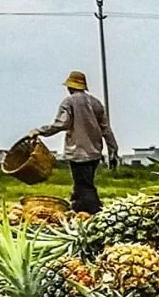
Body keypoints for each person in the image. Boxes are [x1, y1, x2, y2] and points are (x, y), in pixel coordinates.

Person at [32, 70, 117, 215]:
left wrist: (40, 131)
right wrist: (113, 151)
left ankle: (95, 211)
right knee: (82, 185)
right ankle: (78, 209)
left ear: (70, 87)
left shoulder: (69, 102)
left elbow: (61, 123)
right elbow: (106, 130)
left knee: (85, 186)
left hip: (78, 152)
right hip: (94, 153)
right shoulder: (96, 103)